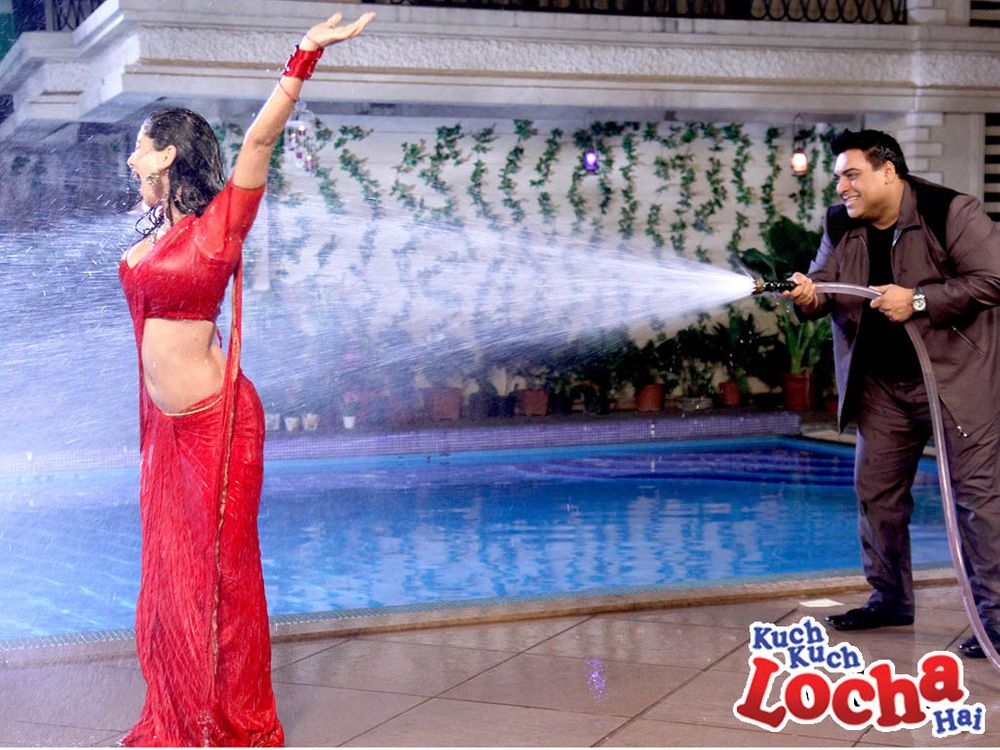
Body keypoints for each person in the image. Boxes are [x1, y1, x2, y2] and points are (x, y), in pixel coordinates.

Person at [118, 10, 374, 745]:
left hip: (217, 427)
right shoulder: (155, 233)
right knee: (169, 576)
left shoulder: (219, 226)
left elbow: (259, 141)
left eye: (140, 148)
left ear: (168, 153)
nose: (132, 161)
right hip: (166, 432)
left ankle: (228, 719)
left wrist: (304, 55)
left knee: (219, 576)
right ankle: (178, 711)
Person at [786, 129, 1000, 659]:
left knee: (979, 502)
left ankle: (995, 620)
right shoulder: (840, 224)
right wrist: (808, 297)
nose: (841, 187)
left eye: (851, 174)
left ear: (888, 171)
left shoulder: (950, 212)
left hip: (956, 383)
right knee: (876, 494)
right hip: (883, 386)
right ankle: (890, 599)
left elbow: (994, 278)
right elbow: (825, 286)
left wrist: (920, 300)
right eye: (838, 177)